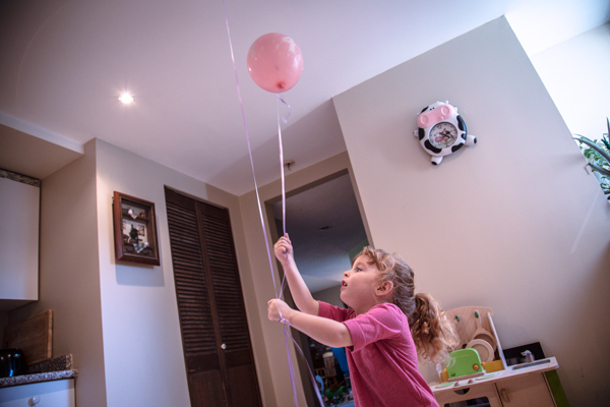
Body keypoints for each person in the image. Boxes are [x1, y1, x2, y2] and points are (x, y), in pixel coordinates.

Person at [268, 234, 458, 407]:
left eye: (358, 269)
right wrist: (288, 263)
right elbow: (308, 306)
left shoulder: (390, 314)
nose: (346, 273)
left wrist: (289, 315)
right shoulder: (350, 317)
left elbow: (338, 334)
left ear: (383, 287)